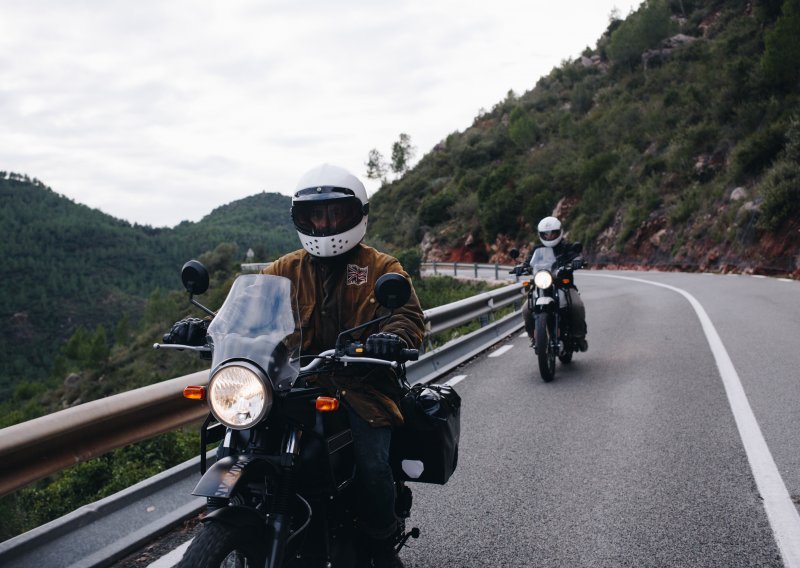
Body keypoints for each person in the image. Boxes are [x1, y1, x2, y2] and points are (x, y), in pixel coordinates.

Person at [262, 163, 425, 568]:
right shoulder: (285, 269)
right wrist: (209, 326)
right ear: (302, 217)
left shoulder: (381, 267)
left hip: (362, 387)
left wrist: (395, 337)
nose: (325, 222)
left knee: (372, 464)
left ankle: (380, 539)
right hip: (295, 386)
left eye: (335, 213)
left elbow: (408, 317)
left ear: (357, 214)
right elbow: (252, 309)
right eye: (316, 214)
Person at [520, 216, 588, 352]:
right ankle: (534, 337)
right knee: (526, 310)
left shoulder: (567, 247)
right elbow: (529, 262)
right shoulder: (537, 250)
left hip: (564, 286)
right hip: (541, 287)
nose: (549, 236)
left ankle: (579, 336)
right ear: (540, 235)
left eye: (552, 233)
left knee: (577, 306)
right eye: (546, 234)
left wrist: (578, 260)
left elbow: (576, 255)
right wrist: (522, 267)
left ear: (559, 232)